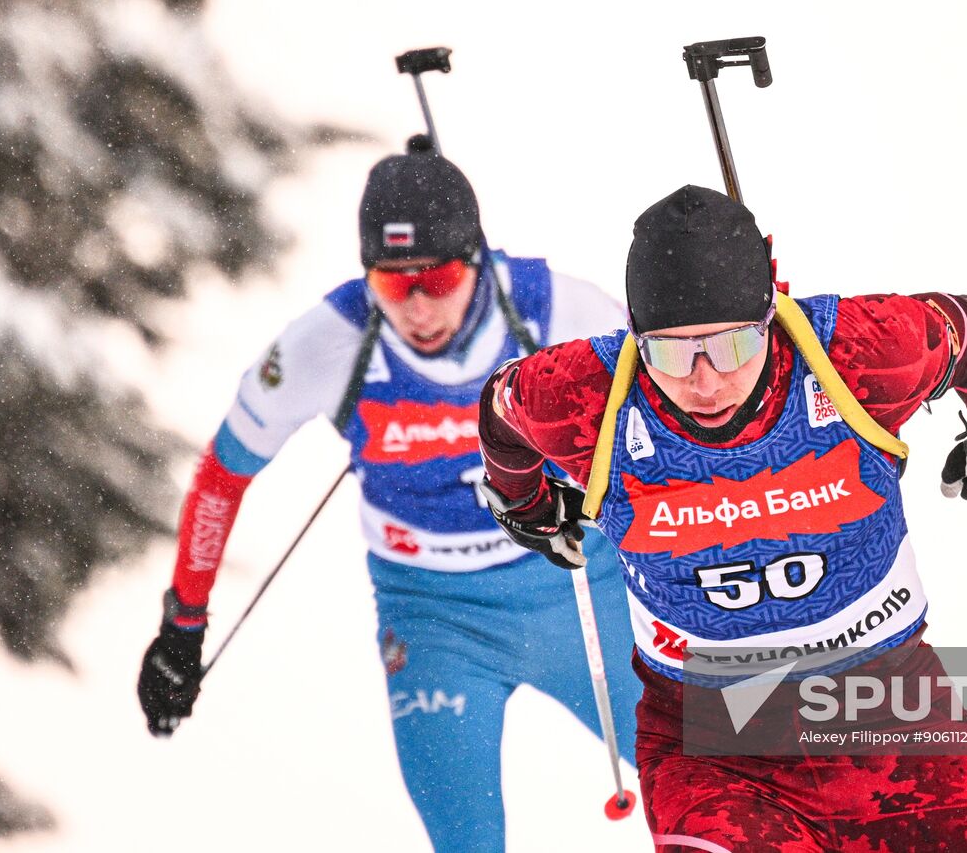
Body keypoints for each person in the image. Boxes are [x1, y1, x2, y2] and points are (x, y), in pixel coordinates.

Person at [476, 185, 967, 851]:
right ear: (636, 336)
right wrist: (524, 503)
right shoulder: (586, 394)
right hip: (718, 756)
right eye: (669, 352)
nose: (703, 382)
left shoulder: (858, 353)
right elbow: (501, 408)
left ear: (768, 316)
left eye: (730, 347)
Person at [135, 147, 642, 853]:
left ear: (476, 260)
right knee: (465, 841)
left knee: (733, 778)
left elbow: (680, 409)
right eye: (392, 283)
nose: (417, 307)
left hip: (583, 589)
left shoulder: (556, 309)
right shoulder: (329, 341)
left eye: (437, 279)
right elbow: (224, 475)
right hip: (434, 618)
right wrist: (183, 624)